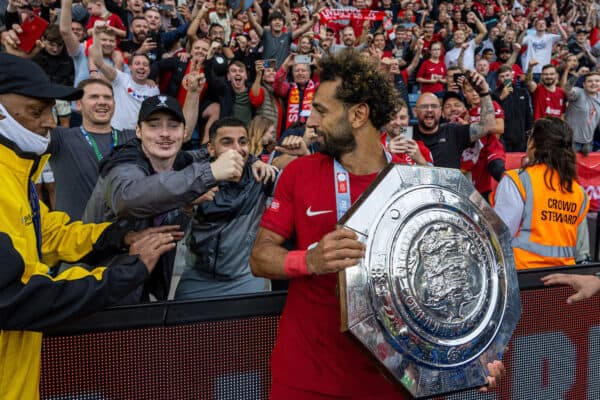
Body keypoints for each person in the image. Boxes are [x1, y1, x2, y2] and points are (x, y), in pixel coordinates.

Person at [250, 50, 503, 399]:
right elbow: (260, 257)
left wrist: (470, 361)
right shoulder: (299, 173)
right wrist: (308, 261)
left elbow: (456, 281)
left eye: (322, 110)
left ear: (358, 114)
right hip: (306, 378)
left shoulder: (415, 182)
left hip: (390, 384)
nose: (311, 121)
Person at [0, 52, 181, 400]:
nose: (50, 122)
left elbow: (48, 232)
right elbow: (19, 296)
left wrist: (117, 237)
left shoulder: (17, 171)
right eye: (36, 111)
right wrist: (125, 272)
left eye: (50, 110)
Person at [83, 95, 248, 302]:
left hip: (142, 283)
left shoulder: (180, 161)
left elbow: (218, 150)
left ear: (184, 132)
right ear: (138, 131)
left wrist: (255, 162)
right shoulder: (124, 163)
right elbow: (129, 199)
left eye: (173, 126)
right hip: (96, 283)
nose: (164, 134)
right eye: (154, 126)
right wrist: (209, 173)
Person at [175, 117, 275, 299]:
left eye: (242, 142)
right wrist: (188, 204)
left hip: (245, 279)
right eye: (227, 142)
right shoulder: (195, 178)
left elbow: (302, 186)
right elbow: (175, 231)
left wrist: (306, 149)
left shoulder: (262, 177)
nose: (237, 148)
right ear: (211, 148)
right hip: (198, 278)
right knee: (182, 326)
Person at [493, 117, 590, 271]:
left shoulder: (518, 181)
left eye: (529, 135)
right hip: (564, 280)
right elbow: (581, 249)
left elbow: (499, 237)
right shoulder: (578, 193)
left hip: (524, 278)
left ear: (532, 143)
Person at [47, 78, 136, 220]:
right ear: (78, 104)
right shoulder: (60, 138)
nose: (102, 101)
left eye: (107, 97)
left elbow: (182, 134)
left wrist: (186, 94)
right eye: (94, 97)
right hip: (75, 236)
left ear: (114, 104)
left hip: (119, 235)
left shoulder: (132, 138)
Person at [412, 72, 497, 169]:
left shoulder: (454, 131)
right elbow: (394, 129)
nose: (429, 110)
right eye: (424, 106)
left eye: (434, 106)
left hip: (449, 184)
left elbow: (488, 126)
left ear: (440, 111)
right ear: (415, 111)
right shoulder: (407, 131)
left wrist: (484, 93)